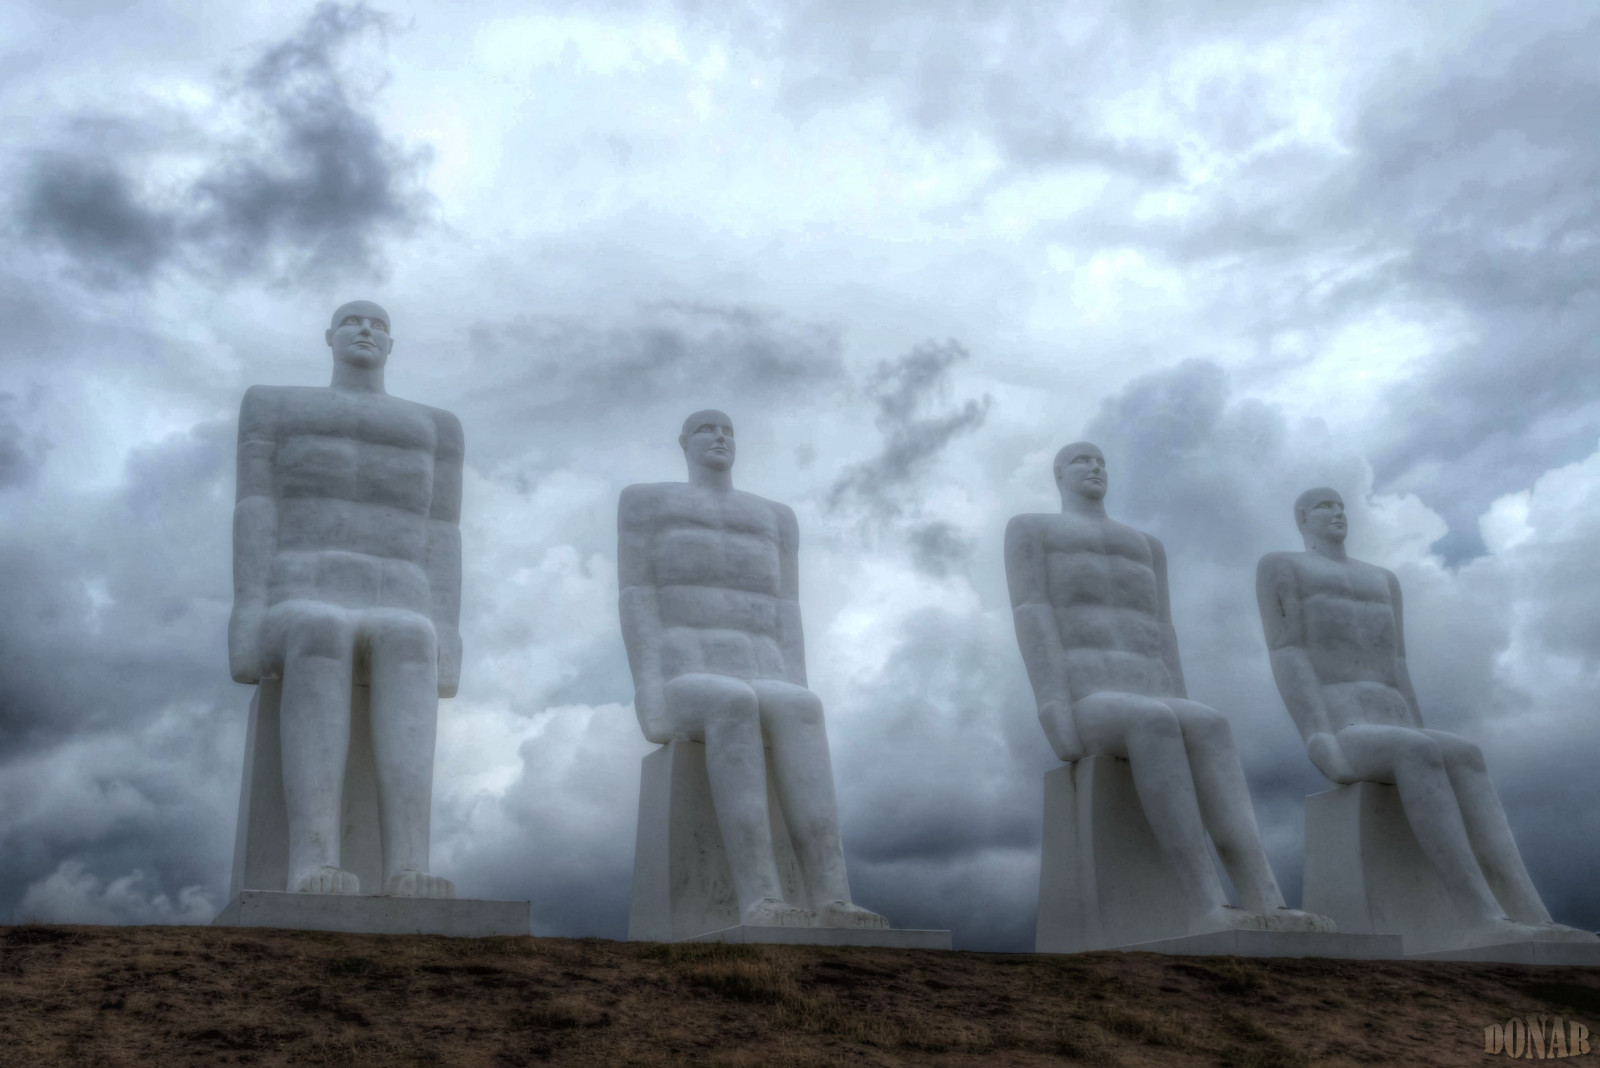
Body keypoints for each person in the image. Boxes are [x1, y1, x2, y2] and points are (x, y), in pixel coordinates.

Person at [1006, 442, 1331, 936]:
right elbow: (1032, 613)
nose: (1095, 466)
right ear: (1058, 475)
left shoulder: (1145, 545)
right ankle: (1206, 902)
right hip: (1089, 697)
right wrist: (1052, 703)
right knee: (1152, 721)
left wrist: (1180, 695)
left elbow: (1162, 630)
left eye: (1101, 459)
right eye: (1081, 460)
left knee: (1210, 722)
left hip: (1151, 690)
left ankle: (1268, 899)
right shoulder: (1033, 529)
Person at [1257, 487, 1596, 946]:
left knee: (1465, 754)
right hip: (1345, 723)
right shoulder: (1283, 566)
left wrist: (1416, 724)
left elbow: (1398, 664)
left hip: (1394, 720)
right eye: (1324, 505)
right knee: (1416, 751)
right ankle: (1479, 914)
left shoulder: (1383, 579)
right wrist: (1317, 732)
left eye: (1341, 505)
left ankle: (1532, 914)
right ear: (1301, 518)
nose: (1337, 512)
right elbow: (1288, 652)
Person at [618, 410, 885, 929]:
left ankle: (833, 897)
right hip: (685, 678)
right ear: (683, 443)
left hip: (763, 669)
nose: (719, 436)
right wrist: (649, 694)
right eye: (706, 428)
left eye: (728, 429)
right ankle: (760, 897)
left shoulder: (775, 517)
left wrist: (796, 682)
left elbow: (788, 609)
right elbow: (637, 596)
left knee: (802, 706)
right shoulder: (647, 502)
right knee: (731, 701)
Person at [228, 300, 460, 898]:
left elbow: (442, 532)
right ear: (328, 336)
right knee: (321, 628)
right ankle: (314, 858)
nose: (365, 329)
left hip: (398, 597)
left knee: (413, 636)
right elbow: (256, 509)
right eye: (353, 321)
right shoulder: (275, 405)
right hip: (297, 595)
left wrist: (450, 628)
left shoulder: (435, 426)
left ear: (392, 344)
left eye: (378, 323)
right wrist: (247, 614)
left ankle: (409, 864)